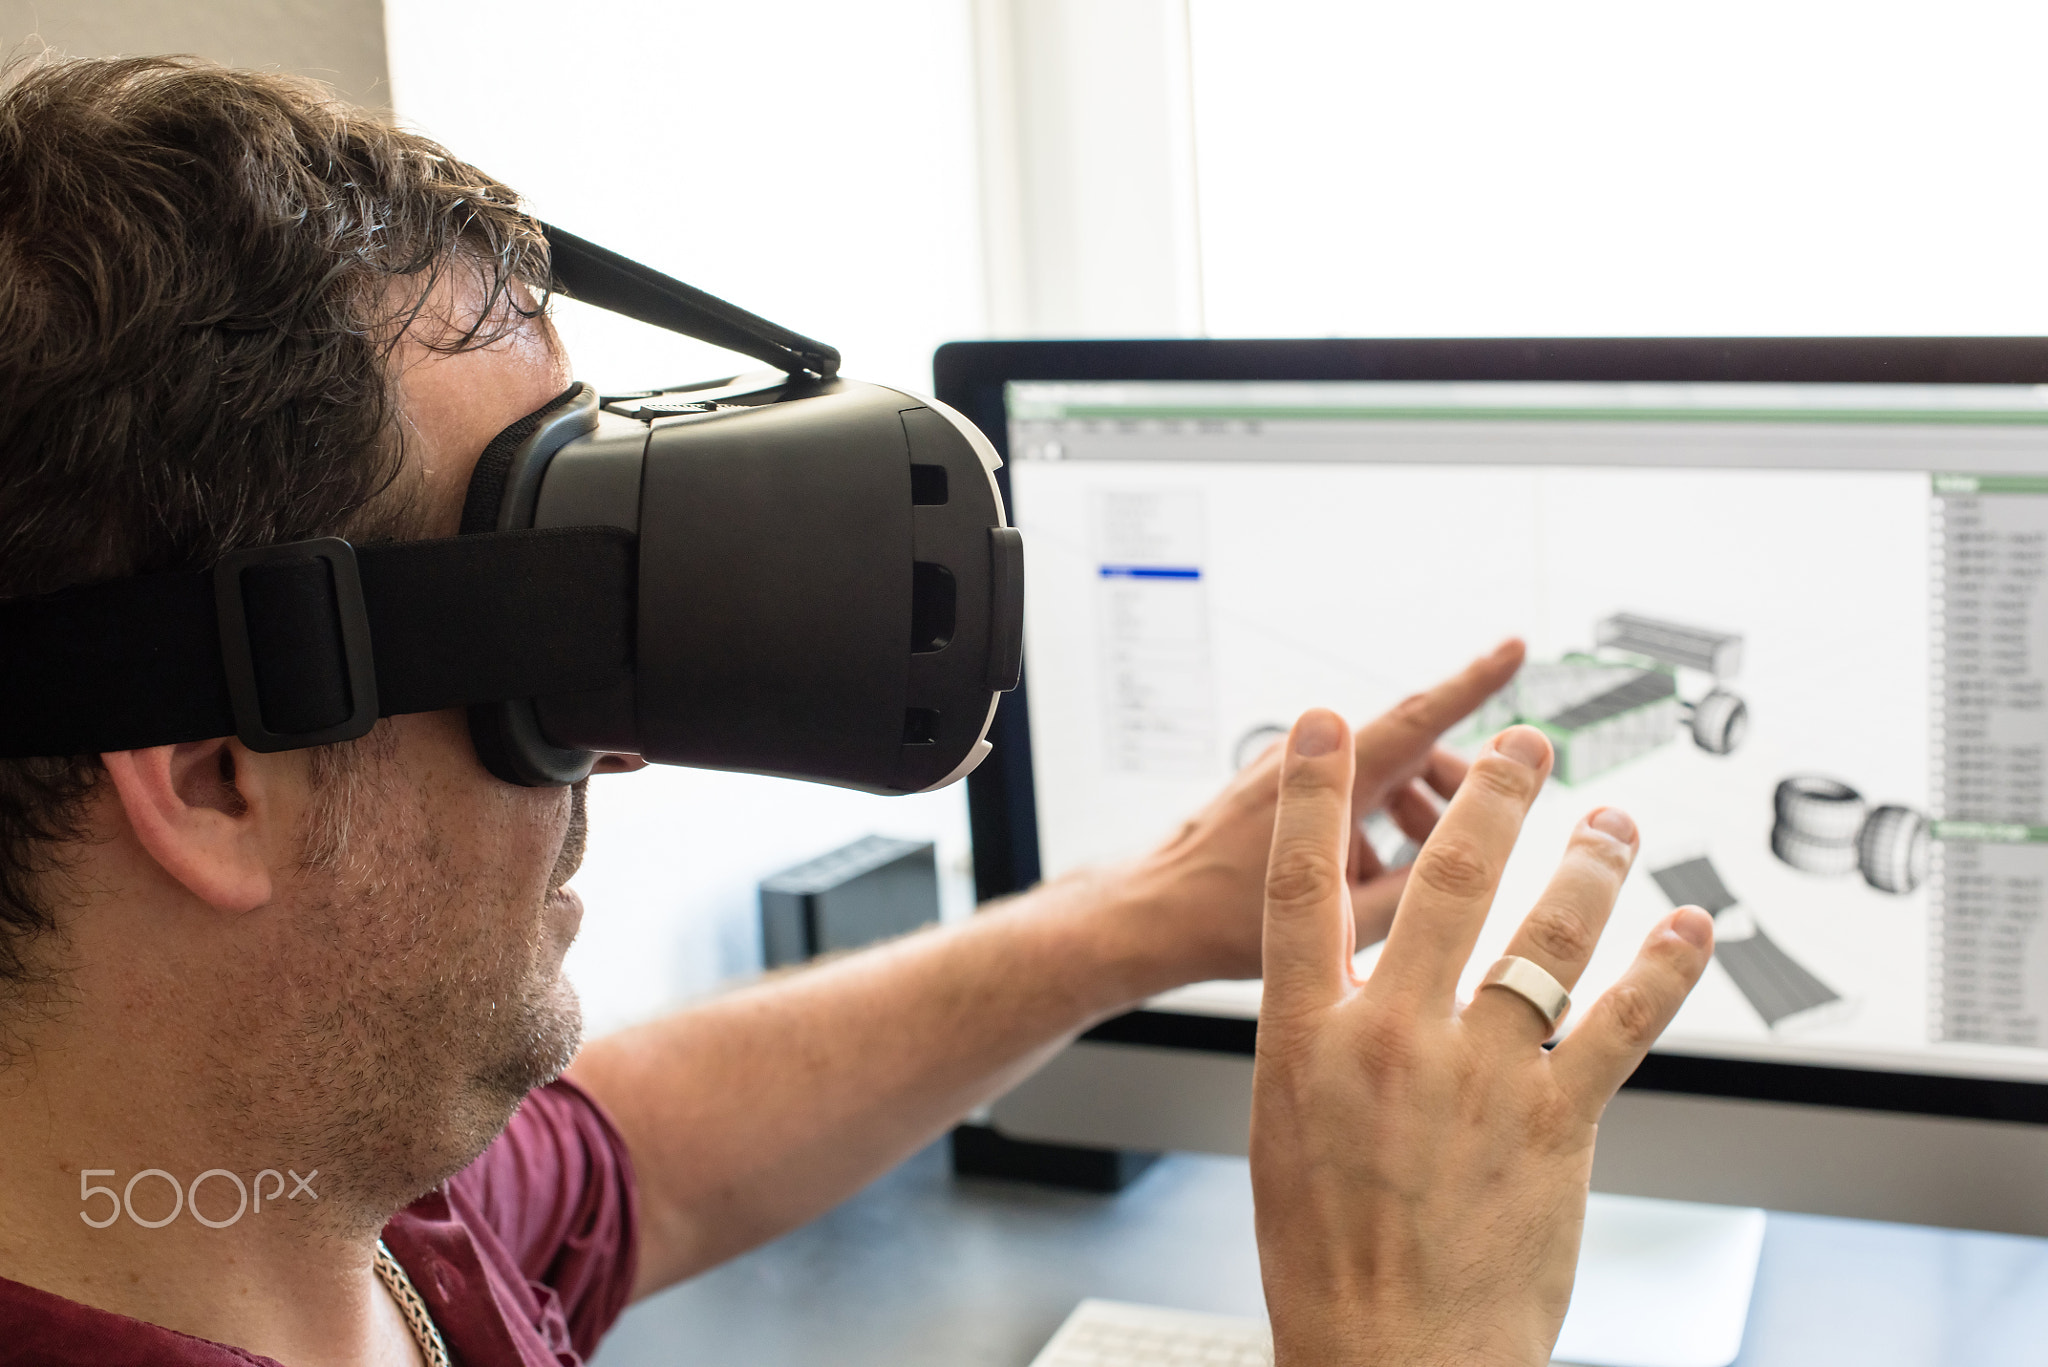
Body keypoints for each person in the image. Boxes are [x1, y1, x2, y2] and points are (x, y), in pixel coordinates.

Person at [0, 55, 1714, 1367]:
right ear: (221, 778)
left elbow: (637, 1162)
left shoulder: (304, 1208)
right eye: (554, 665)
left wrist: (1137, 920)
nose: (622, 744)